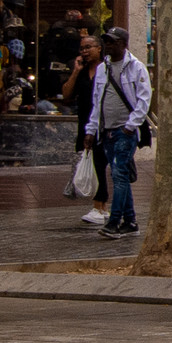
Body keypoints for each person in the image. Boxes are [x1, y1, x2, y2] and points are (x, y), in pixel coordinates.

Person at [80, 27, 150, 239]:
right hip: (106, 132)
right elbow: (97, 102)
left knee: (118, 175)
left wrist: (130, 125)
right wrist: (91, 130)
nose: (108, 46)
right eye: (106, 42)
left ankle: (114, 221)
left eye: (112, 42)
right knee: (121, 176)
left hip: (125, 132)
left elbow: (144, 100)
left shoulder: (136, 68)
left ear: (123, 44)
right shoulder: (103, 69)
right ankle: (130, 221)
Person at [60, 33, 108, 226]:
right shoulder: (81, 71)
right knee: (92, 163)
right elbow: (66, 95)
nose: (85, 51)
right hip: (85, 122)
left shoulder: (106, 69)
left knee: (99, 164)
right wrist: (75, 71)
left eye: (89, 47)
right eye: (82, 48)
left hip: (103, 124)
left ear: (99, 48)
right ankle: (101, 206)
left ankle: (99, 206)